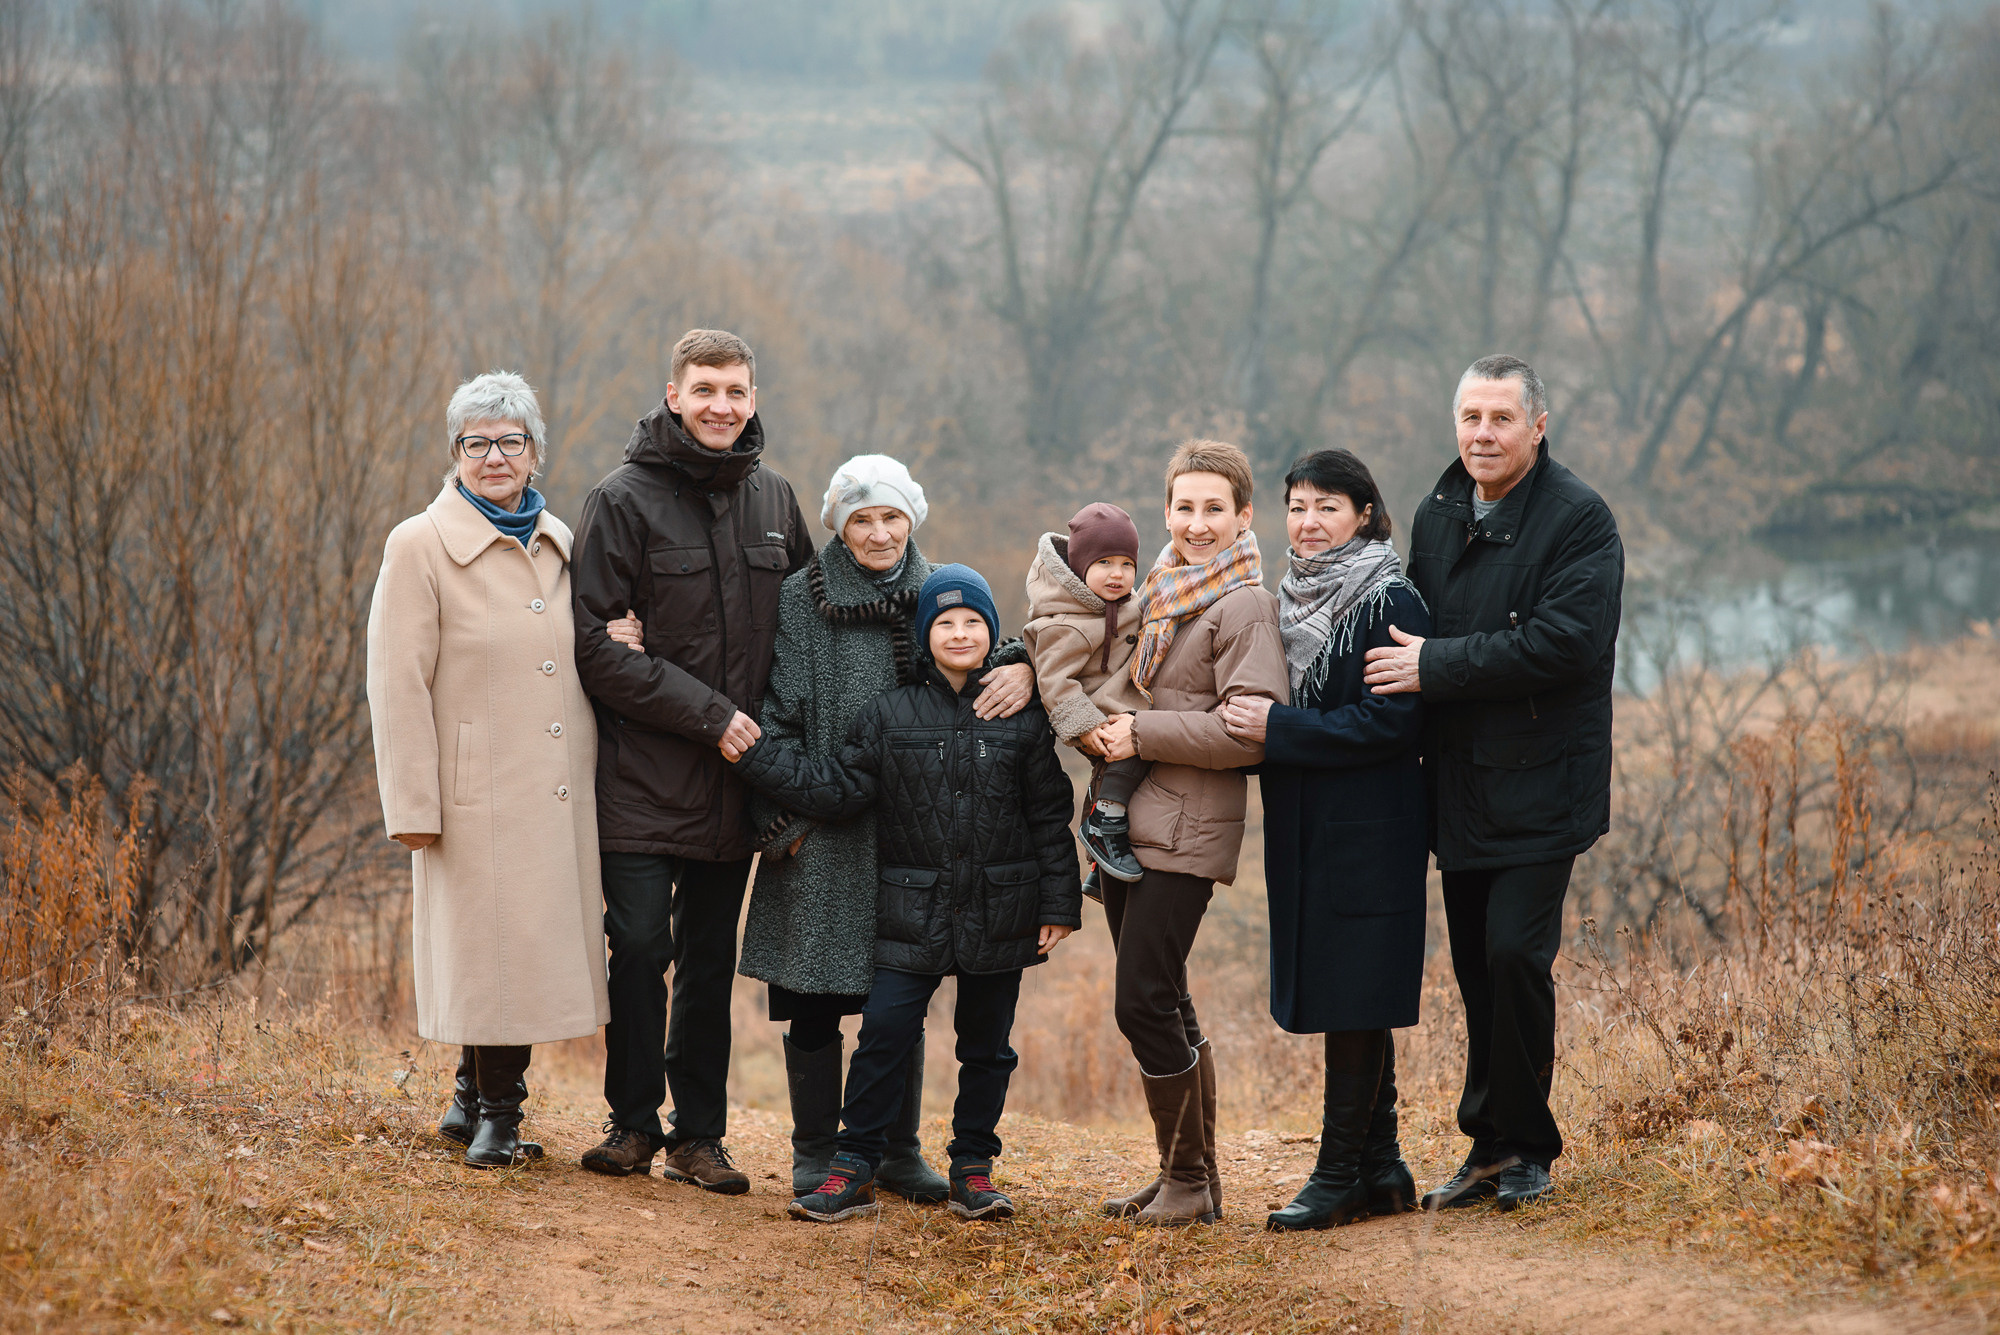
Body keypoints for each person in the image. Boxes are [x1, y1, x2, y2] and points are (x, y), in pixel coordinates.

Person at [730, 565, 1082, 1223]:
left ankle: (973, 1170)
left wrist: (1060, 905)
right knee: (885, 1033)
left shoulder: (1022, 716)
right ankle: (853, 1168)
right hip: (910, 910)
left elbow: (1047, 817)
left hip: (1001, 908)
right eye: (945, 622)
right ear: (924, 635)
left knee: (988, 1048)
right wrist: (754, 756)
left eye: (973, 621)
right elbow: (836, 790)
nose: (960, 633)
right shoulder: (888, 715)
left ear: (992, 632)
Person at [1364, 355, 1623, 1212]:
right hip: (1460, 784)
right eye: (1471, 417)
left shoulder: (1580, 520)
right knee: (1477, 965)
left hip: (1544, 783)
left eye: (1501, 418)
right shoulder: (1439, 510)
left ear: (1537, 426)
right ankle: (1487, 1146)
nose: (1483, 433)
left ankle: (1529, 1148)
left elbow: (1564, 644)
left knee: (1514, 954)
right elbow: (1407, 620)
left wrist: (1435, 666)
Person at [569, 329, 815, 1193]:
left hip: (735, 786)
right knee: (641, 945)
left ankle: (699, 1137)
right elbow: (595, 650)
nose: (721, 405)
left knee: (710, 961)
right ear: (674, 395)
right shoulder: (620, 499)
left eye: (736, 390)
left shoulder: (775, 499)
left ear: (753, 398)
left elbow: (816, 622)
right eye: (705, 389)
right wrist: (713, 715)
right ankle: (632, 1122)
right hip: (641, 776)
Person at [366, 371, 613, 1169]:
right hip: (474, 794)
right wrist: (414, 805)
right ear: (455, 453)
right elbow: (395, 682)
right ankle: (499, 1121)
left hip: (554, 790)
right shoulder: (418, 543)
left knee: (511, 951)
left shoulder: (561, 540)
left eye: (511, 441)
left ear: (536, 451)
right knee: (495, 954)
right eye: (477, 442)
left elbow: (585, 643)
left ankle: (470, 1098)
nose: (495, 456)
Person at [1220, 449, 1430, 1231]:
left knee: (1355, 989)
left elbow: (1392, 722)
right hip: (1310, 826)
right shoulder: (1290, 595)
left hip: (1371, 829)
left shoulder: (1388, 598)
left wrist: (1281, 728)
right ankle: (1383, 1166)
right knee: (1353, 993)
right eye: (1298, 506)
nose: (1308, 522)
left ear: (1364, 514)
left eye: (1327, 507)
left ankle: (1339, 1173)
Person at [1095, 439, 1289, 1228]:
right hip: (1136, 826)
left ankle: (1187, 1178)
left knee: (1141, 1000)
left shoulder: (1244, 606)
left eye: (1215, 508)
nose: (1198, 523)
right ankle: (1192, 1181)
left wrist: (1141, 732)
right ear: (1167, 511)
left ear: (1244, 515)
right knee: (1166, 995)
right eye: (1184, 507)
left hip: (1187, 830)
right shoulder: (1164, 591)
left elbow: (1249, 733)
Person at [1022, 502, 1151, 896]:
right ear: (1080, 568)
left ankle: (1097, 864)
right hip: (1097, 714)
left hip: (1116, 703)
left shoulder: (1124, 604)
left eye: (1127, 564)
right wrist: (1085, 725)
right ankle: (1105, 825)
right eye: (1104, 563)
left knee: (1114, 776)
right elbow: (1053, 680)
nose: (1117, 574)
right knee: (1139, 747)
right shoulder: (1067, 623)